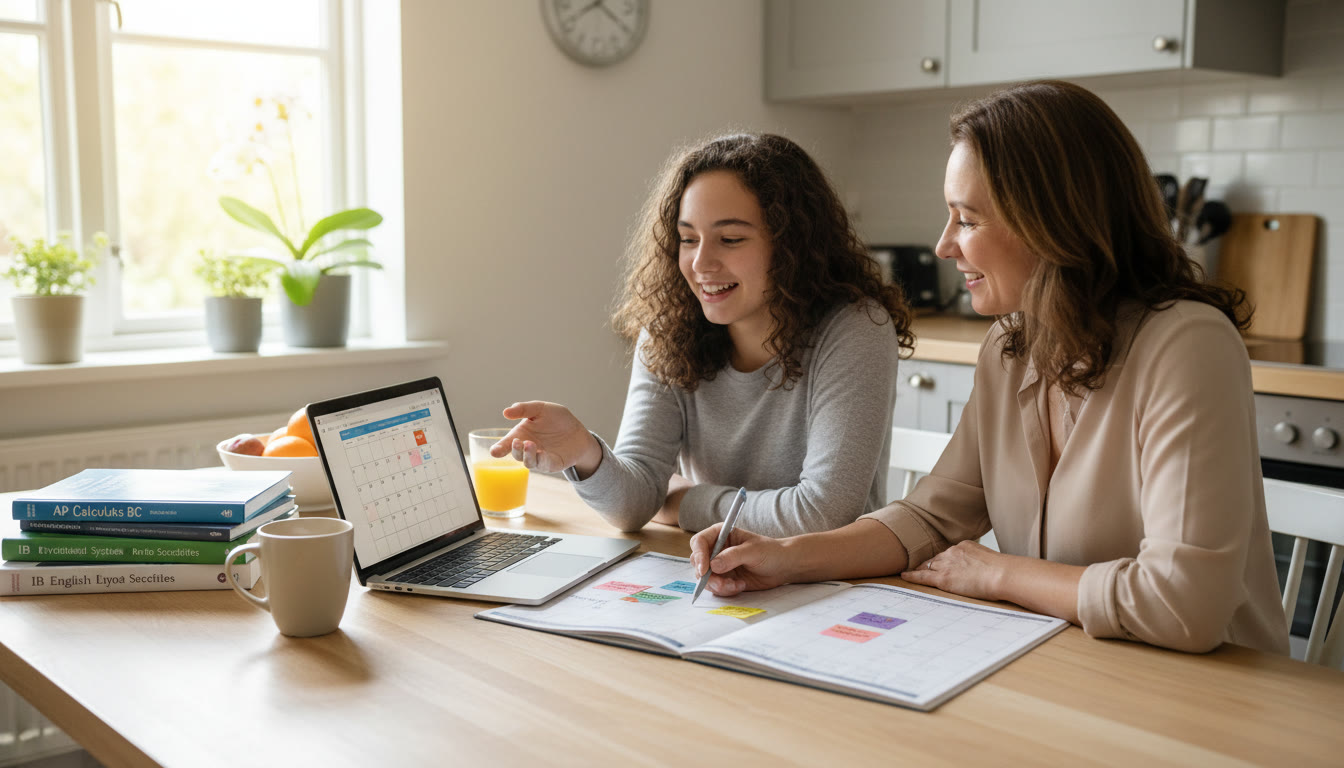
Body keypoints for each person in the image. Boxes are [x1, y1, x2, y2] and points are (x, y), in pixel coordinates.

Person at [689, 81, 1289, 655]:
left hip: (1217, 703)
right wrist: (786, 555)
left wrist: (999, 572)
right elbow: (933, 515)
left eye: (968, 219)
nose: (945, 245)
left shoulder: (1187, 345)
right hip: (1078, 666)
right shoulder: (1012, 346)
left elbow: (1183, 604)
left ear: (1051, 222)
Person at [492, 132, 914, 536]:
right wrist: (586, 453)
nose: (700, 263)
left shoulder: (855, 329)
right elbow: (636, 504)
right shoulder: (668, 331)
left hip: (835, 585)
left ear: (793, 246)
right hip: (711, 570)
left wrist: (686, 501)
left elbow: (824, 514)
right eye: (688, 239)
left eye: (730, 239)